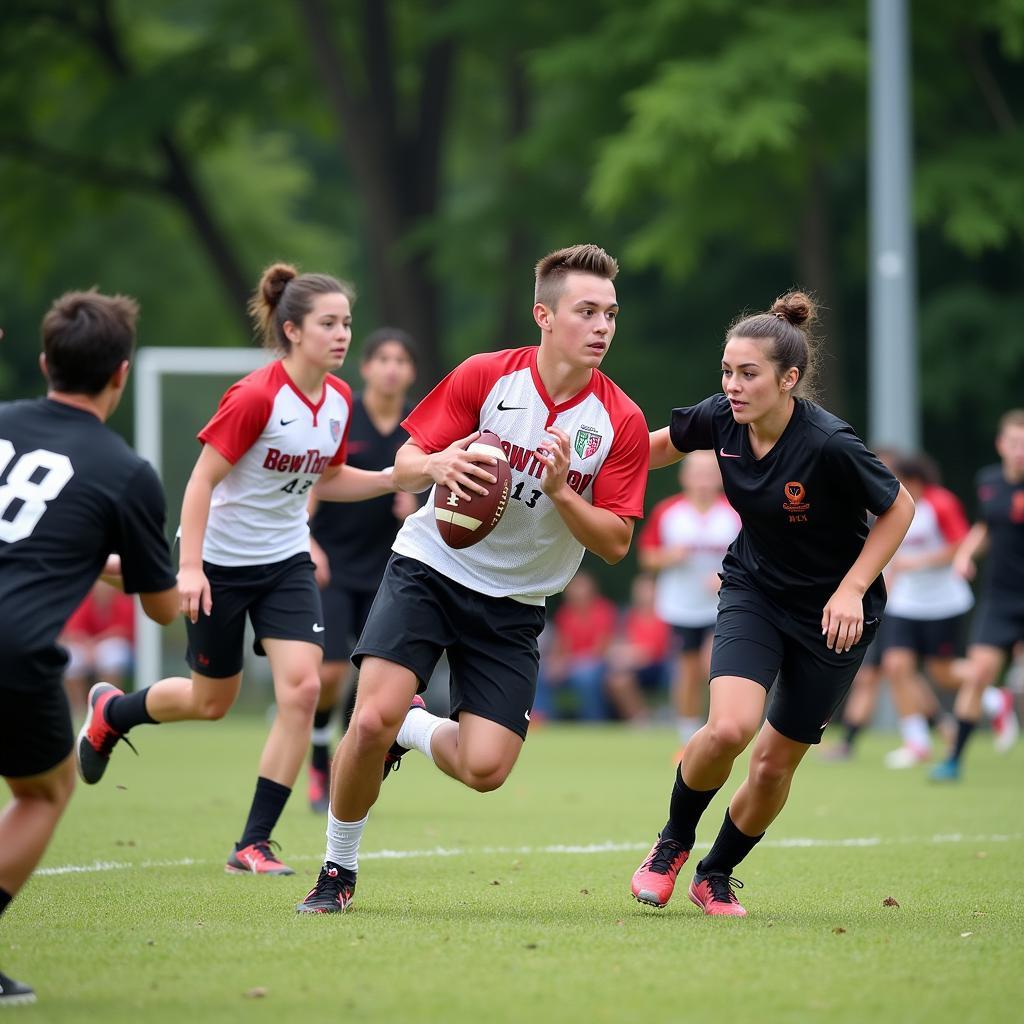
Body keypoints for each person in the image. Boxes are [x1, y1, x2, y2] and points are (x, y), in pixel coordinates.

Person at [296, 243, 649, 913]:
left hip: (515, 602)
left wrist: (563, 492)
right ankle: (338, 870)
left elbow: (615, 542)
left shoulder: (618, 421)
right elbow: (406, 459)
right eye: (586, 311)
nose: (602, 326)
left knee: (485, 769)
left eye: (611, 313)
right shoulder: (488, 377)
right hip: (431, 567)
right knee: (367, 719)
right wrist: (437, 468)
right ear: (544, 315)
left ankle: (415, 727)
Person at [75, 263, 398, 876]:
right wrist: (191, 567)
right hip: (220, 563)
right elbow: (201, 481)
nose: (342, 335)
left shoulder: (339, 400)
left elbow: (327, 480)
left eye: (347, 323)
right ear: (293, 330)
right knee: (210, 701)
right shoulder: (256, 396)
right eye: (328, 323)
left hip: (285, 561)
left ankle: (253, 843)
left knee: (302, 690)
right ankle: (111, 713)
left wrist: (389, 478)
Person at [630, 291, 914, 917]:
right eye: (727, 371)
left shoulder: (829, 443)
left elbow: (899, 508)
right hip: (754, 590)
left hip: (834, 618)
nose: (732, 385)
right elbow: (650, 451)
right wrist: (576, 475)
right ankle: (671, 845)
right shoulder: (721, 419)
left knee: (771, 766)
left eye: (748, 373)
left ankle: (716, 872)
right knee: (730, 727)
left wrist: (850, 589)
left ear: (788, 380)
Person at [0, 291, 178, 1005]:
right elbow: (163, 609)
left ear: (45, 363)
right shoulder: (125, 470)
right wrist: (130, 568)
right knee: (45, 790)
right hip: (13, 650)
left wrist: (85, 558)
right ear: (122, 377)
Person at [306, 328, 419, 812]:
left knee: (373, 675)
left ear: (411, 372)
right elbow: (312, 481)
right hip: (331, 563)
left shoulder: (417, 432)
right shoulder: (343, 418)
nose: (392, 367)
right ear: (367, 367)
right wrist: (306, 540)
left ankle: (349, 765)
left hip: (386, 569)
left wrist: (413, 504)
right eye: (383, 358)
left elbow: (436, 491)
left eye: (401, 360)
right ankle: (317, 754)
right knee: (329, 672)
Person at [931, 409, 1024, 781]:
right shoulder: (988, 482)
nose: (1021, 451)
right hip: (999, 599)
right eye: (1016, 444)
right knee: (979, 673)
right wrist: (966, 555)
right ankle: (953, 760)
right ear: (1002, 445)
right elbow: (985, 527)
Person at [637, 450, 740, 751]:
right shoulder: (668, 512)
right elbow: (647, 558)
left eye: (709, 473)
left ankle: (721, 728)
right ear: (684, 477)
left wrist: (725, 576)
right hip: (681, 606)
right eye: (697, 473)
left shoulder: (734, 514)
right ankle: (687, 737)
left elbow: (753, 558)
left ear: (720, 478)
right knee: (688, 670)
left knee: (715, 666)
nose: (703, 480)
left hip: (725, 606)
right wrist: (670, 557)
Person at [876, 453, 973, 768]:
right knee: (896, 666)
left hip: (944, 602)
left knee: (942, 674)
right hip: (906, 603)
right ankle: (917, 743)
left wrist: (919, 564)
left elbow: (962, 544)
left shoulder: (939, 503)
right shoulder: (890, 505)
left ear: (913, 480)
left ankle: (992, 698)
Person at [536, 569, 618, 721]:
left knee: (585, 675)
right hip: (571, 665)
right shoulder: (565, 614)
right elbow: (560, 647)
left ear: (591, 589)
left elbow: (599, 650)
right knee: (541, 671)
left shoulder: (603, 610)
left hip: (597, 663)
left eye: (580, 587)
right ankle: (543, 719)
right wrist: (556, 663)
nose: (576, 592)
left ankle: (593, 721)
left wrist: (568, 664)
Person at [60, 581, 137, 718]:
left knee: (112, 653)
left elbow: (123, 631)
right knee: (72, 658)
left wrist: (95, 645)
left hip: (114, 648)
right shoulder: (84, 601)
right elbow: (74, 631)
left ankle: (109, 704)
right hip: (89, 647)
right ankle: (79, 709)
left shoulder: (123, 602)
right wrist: (89, 647)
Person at [605, 574, 673, 723]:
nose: (643, 594)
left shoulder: (665, 614)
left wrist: (631, 653)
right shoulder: (629, 616)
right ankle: (641, 718)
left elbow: (654, 651)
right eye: (640, 590)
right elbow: (617, 643)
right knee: (615, 679)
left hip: (660, 667)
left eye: (647, 589)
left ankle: (643, 719)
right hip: (633, 665)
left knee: (621, 680)